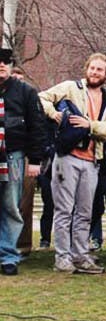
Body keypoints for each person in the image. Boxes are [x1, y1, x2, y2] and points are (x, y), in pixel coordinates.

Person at [39, 53, 106, 274]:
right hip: (67, 156)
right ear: (86, 68)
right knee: (64, 209)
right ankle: (62, 257)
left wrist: (89, 125)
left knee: (85, 212)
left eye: (100, 70)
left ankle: (80, 255)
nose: (95, 72)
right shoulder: (70, 87)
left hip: (92, 161)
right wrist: (55, 114)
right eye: (92, 68)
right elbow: (42, 97)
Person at [0, 48, 47, 275]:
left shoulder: (26, 92)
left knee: (11, 206)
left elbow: (37, 127)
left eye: (6, 62)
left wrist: (35, 159)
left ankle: (9, 255)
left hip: (14, 156)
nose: (2, 66)